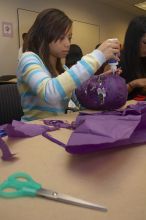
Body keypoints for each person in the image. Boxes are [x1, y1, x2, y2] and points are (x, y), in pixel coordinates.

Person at [16, 8, 120, 121]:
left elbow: (82, 102)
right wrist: (97, 56)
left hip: (56, 128)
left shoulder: (63, 70)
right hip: (33, 132)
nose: (67, 44)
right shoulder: (28, 58)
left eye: (69, 38)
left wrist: (100, 81)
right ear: (44, 35)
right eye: (61, 37)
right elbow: (49, 93)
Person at [120, 16, 146, 100]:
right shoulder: (117, 60)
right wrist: (133, 84)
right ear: (133, 40)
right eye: (145, 42)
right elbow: (108, 96)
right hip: (121, 110)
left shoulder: (143, 58)